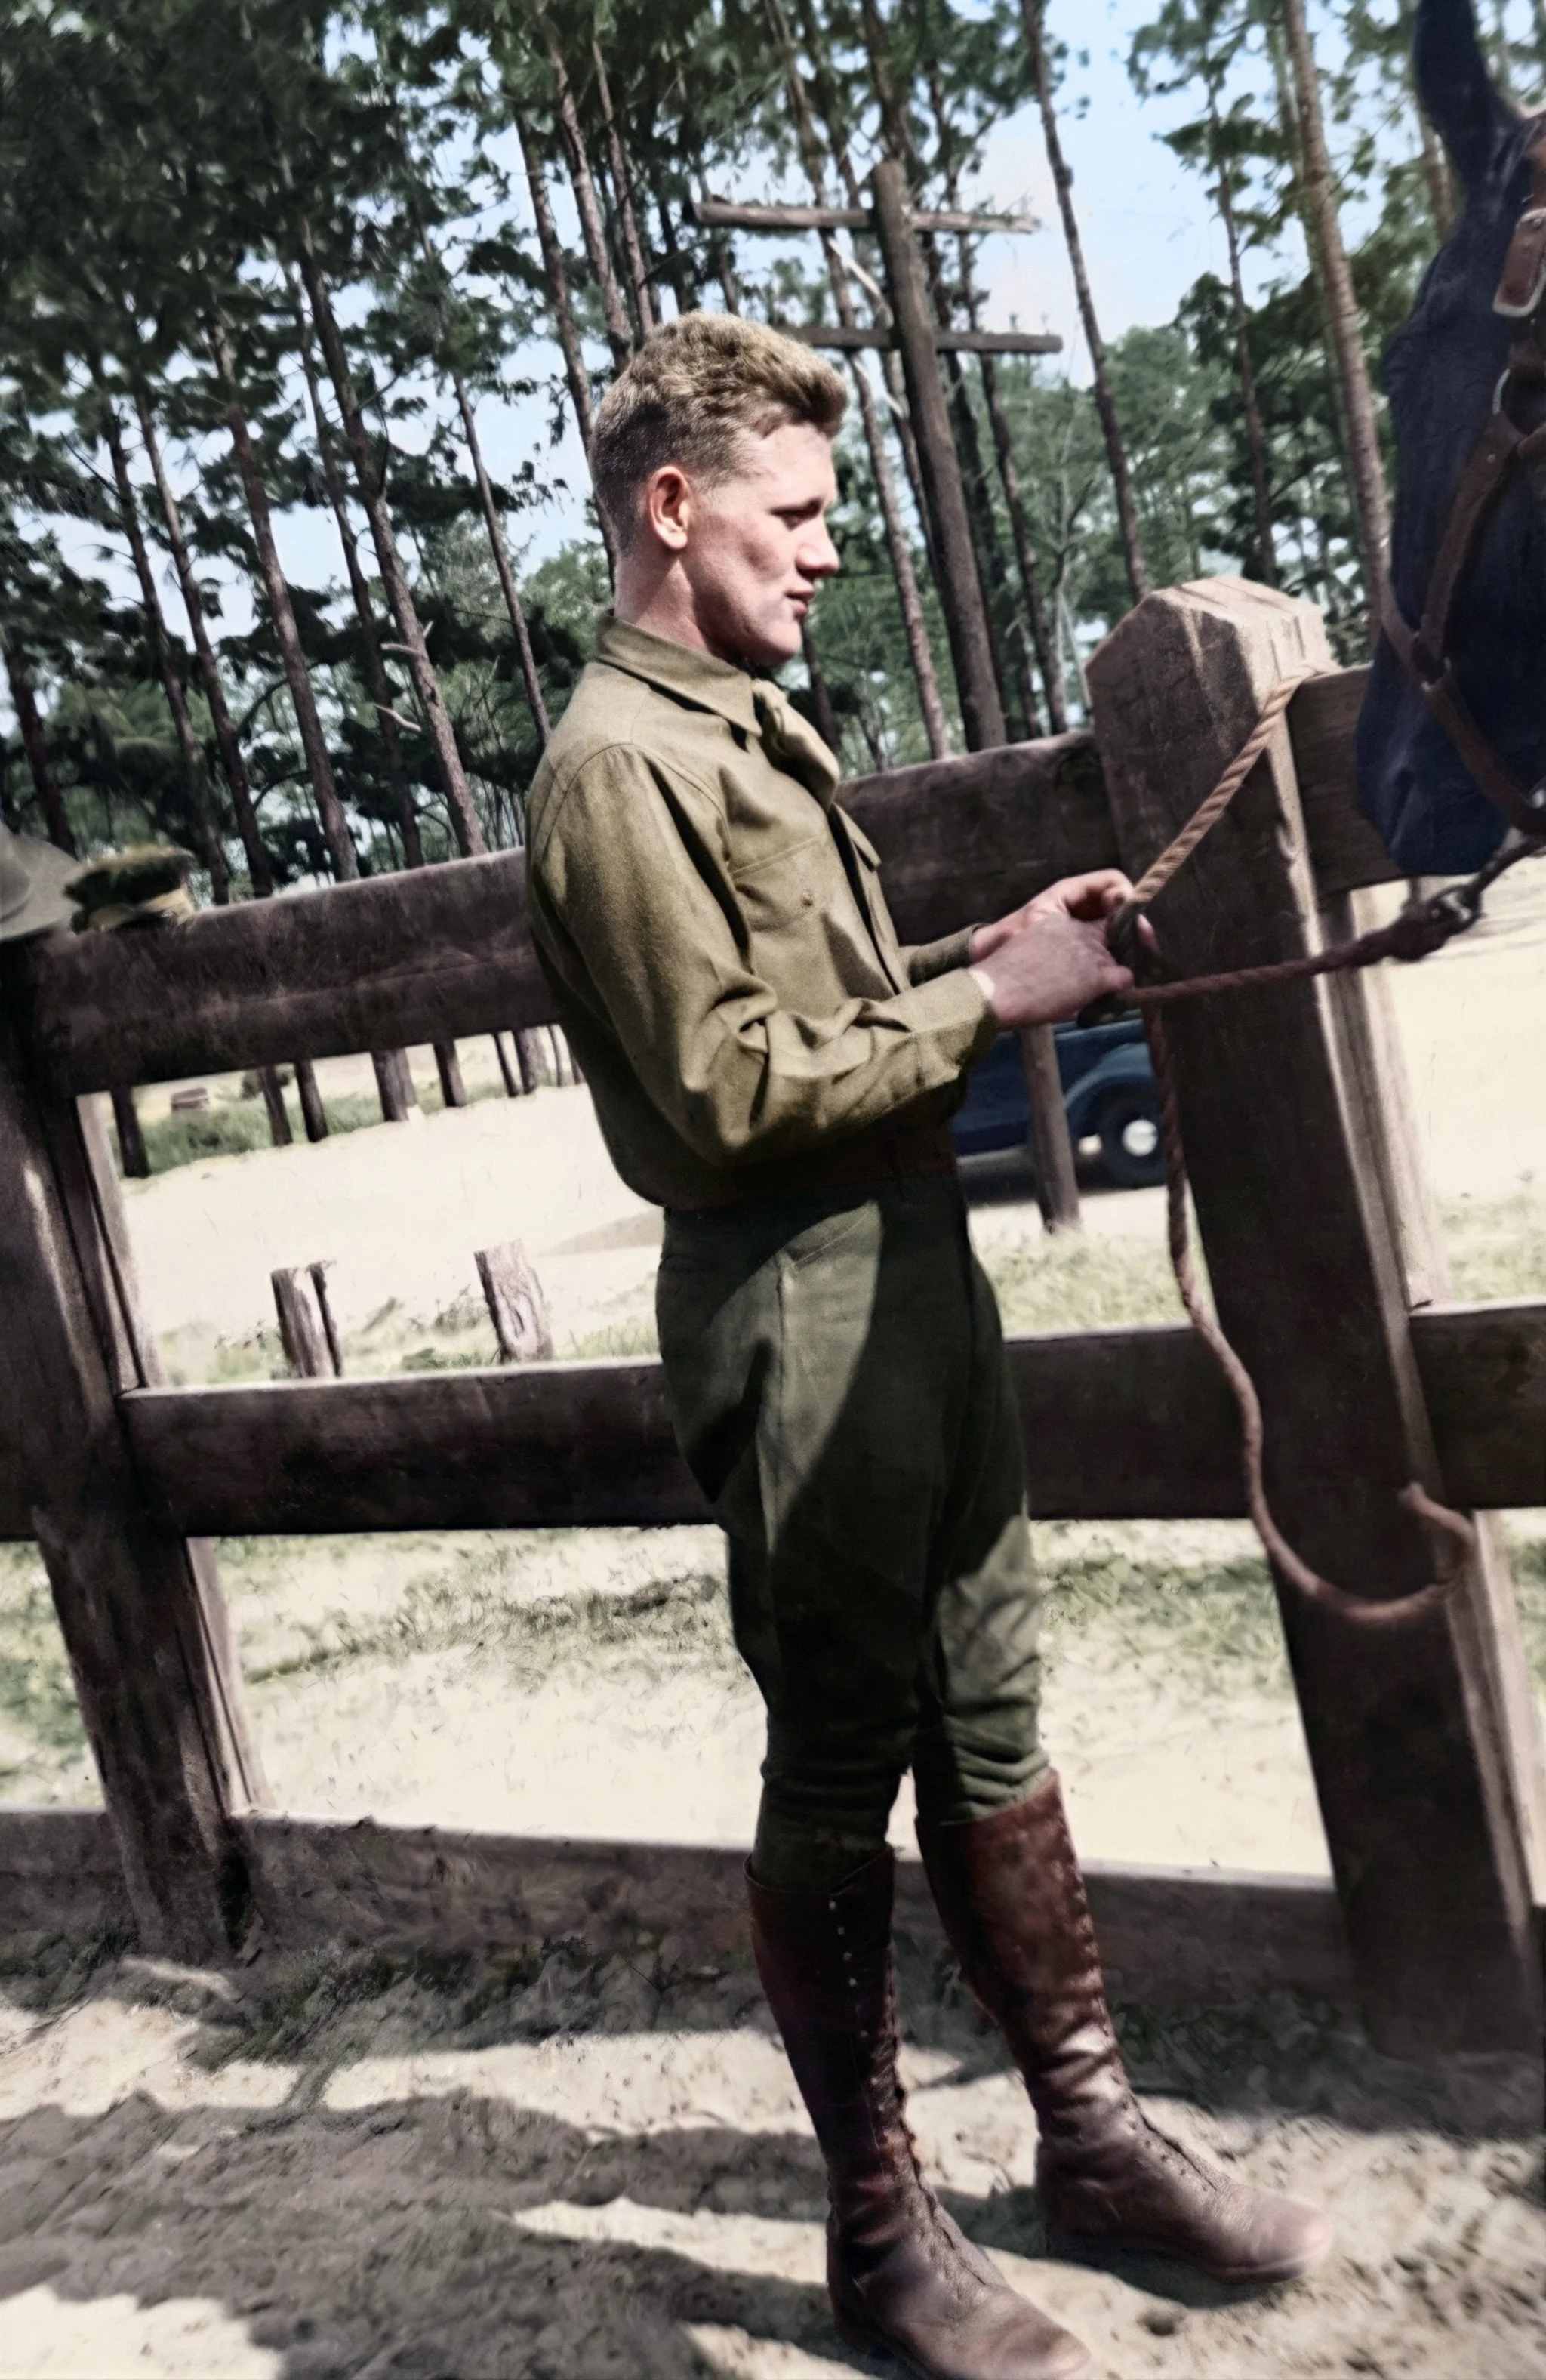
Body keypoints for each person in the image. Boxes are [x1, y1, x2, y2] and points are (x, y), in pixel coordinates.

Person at [525, 313, 1331, 2380]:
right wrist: (996, 1009)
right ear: (671, 508)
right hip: (793, 1306)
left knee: (992, 1714)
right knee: (841, 1758)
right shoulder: (614, 771)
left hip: (908, 1272)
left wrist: (976, 954)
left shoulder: (737, 724)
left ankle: (1088, 2142)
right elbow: (721, 1093)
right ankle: (880, 2234)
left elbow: (808, 995)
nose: (821, 554)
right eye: (790, 517)